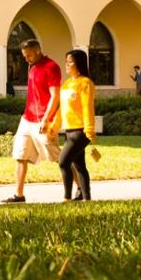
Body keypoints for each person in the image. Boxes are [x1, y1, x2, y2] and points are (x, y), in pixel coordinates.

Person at [3, 39, 61, 204]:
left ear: (37, 50)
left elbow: (55, 96)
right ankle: (18, 195)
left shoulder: (51, 67)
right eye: (24, 56)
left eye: (28, 55)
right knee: (20, 155)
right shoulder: (32, 67)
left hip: (43, 120)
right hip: (27, 119)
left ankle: (80, 189)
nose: (26, 59)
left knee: (58, 157)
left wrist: (46, 118)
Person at [54, 49, 101, 201]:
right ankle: (87, 199)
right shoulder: (67, 84)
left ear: (79, 63)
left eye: (70, 62)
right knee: (79, 165)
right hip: (69, 130)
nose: (67, 65)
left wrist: (89, 130)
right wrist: (53, 126)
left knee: (63, 162)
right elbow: (62, 109)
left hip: (81, 131)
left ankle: (67, 198)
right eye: (66, 62)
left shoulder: (85, 83)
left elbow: (88, 108)